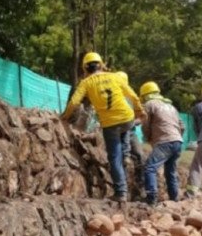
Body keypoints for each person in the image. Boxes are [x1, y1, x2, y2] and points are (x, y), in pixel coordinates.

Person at [61, 52, 145, 203]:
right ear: (101, 65)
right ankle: (126, 154)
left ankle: (121, 192)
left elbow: (74, 103)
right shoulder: (115, 77)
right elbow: (133, 96)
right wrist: (140, 111)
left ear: (85, 68)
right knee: (124, 132)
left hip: (110, 124)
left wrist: (65, 116)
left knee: (114, 158)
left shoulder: (86, 82)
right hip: (127, 118)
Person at [139, 81, 184, 206]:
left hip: (164, 141)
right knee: (170, 171)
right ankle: (174, 199)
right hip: (178, 141)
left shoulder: (149, 104)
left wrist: (148, 138)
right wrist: (177, 137)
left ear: (145, 95)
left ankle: (151, 198)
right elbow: (182, 126)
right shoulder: (171, 106)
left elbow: (145, 124)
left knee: (150, 168)